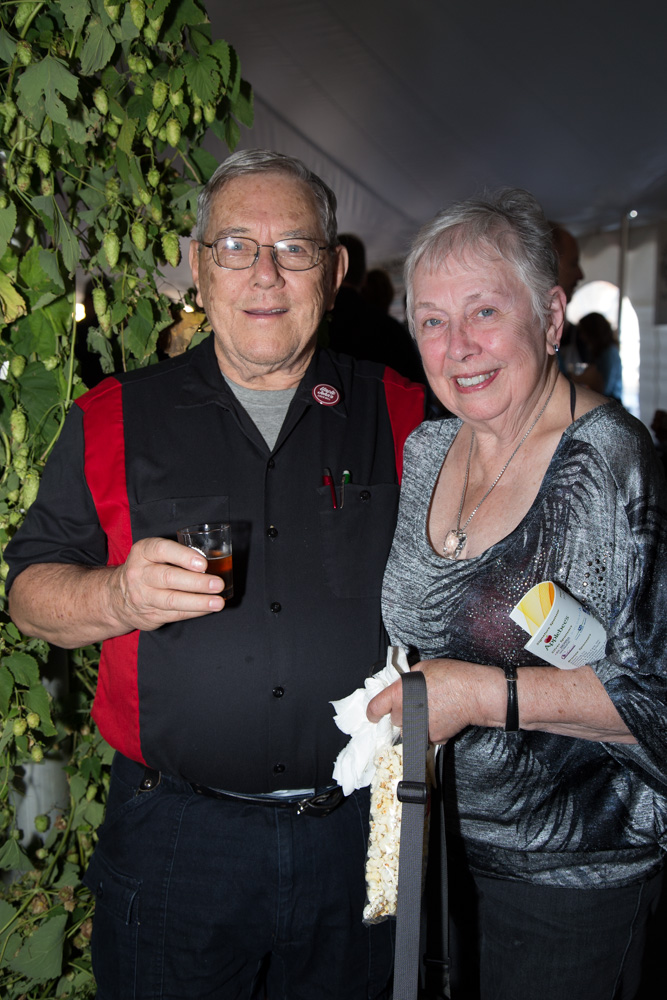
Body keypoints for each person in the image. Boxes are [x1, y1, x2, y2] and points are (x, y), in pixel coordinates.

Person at [5, 149, 425, 1000]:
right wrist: (115, 595)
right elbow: (27, 596)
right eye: (235, 246)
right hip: (175, 839)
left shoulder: (404, 412)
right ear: (198, 267)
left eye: (294, 248)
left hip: (355, 836)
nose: (264, 274)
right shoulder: (110, 417)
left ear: (334, 273)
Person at [367, 189, 667, 1000]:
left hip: (572, 877)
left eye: (483, 312)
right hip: (432, 846)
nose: (457, 346)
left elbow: (652, 700)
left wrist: (473, 694)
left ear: (550, 316)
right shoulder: (428, 449)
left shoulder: (608, 460)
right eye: (431, 320)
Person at [575, 311, 623, 401]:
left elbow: (605, 388)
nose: (581, 336)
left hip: (610, 403)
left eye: (583, 332)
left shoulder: (609, 353)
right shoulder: (601, 352)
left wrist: (581, 378)